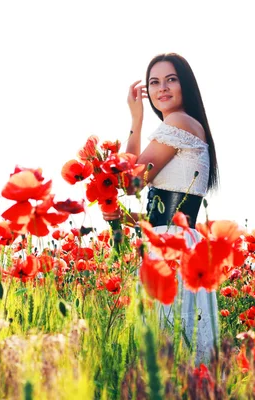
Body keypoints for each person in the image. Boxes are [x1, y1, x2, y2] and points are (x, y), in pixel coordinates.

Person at [103, 52, 220, 364]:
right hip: (177, 241)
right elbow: (160, 211)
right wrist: (121, 217)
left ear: (185, 86)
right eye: (154, 82)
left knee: (168, 346)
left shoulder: (178, 123)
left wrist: (136, 119)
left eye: (171, 79)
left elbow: (131, 183)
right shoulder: (185, 127)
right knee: (181, 343)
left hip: (171, 249)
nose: (162, 88)